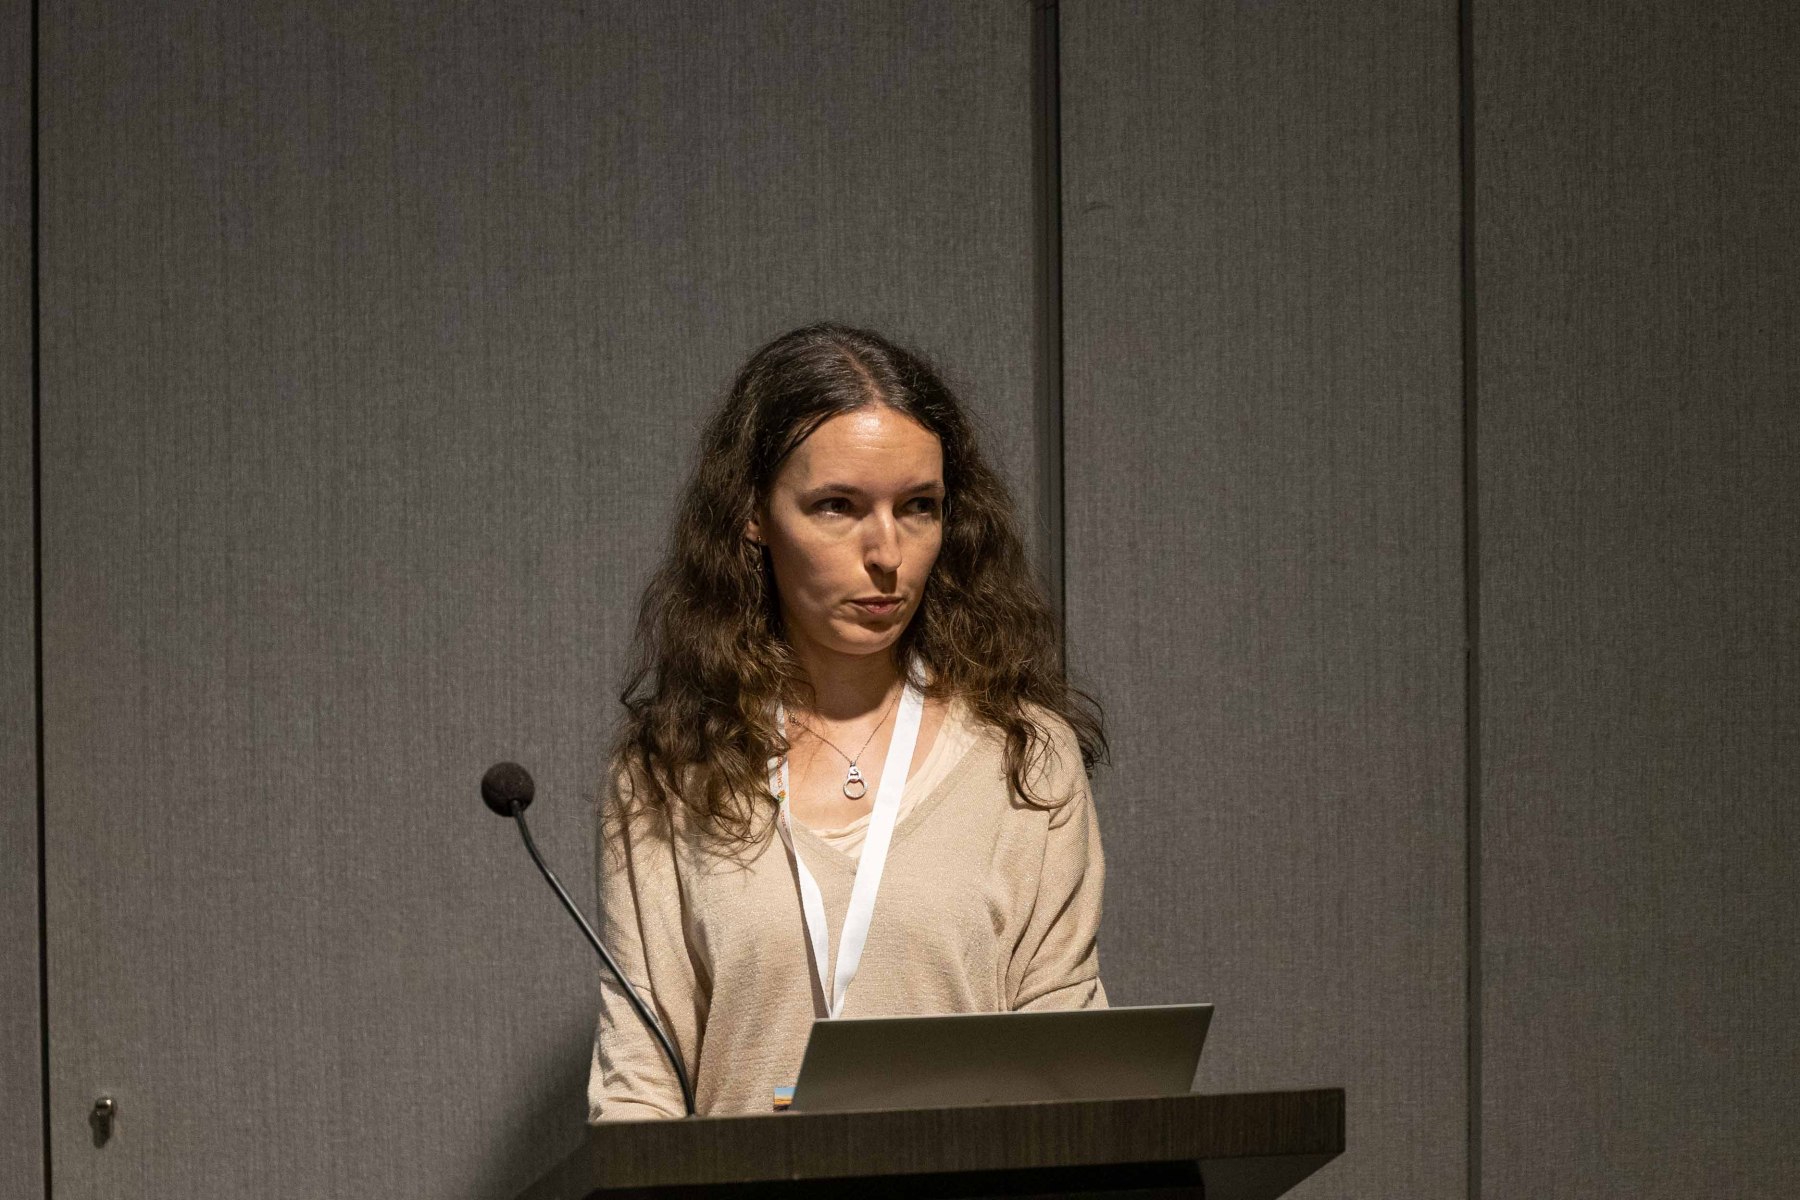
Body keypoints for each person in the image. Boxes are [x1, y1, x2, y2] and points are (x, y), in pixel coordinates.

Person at [588, 322, 1109, 1120]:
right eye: (837, 506)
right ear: (753, 515)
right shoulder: (669, 773)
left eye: (919, 508)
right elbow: (639, 1085)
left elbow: (1070, 1066)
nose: (887, 554)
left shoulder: (1025, 755)